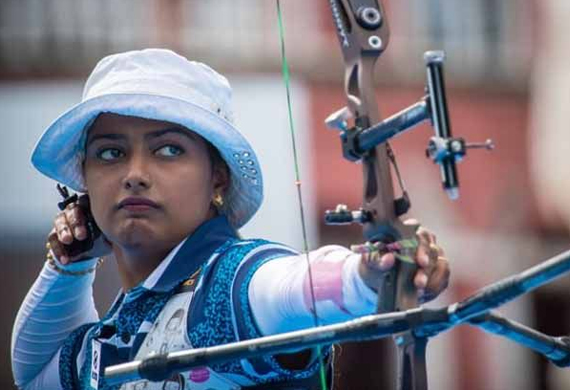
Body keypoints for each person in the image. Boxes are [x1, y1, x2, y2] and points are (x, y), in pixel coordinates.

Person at [11, 48, 450, 390]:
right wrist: (70, 263)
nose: (135, 175)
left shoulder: (225, 285)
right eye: (111, 153)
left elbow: (289, 288)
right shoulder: (117, 330)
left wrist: (370, 274)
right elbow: (33, 376)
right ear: (85, 183)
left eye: (168, 150)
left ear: (217, 176)